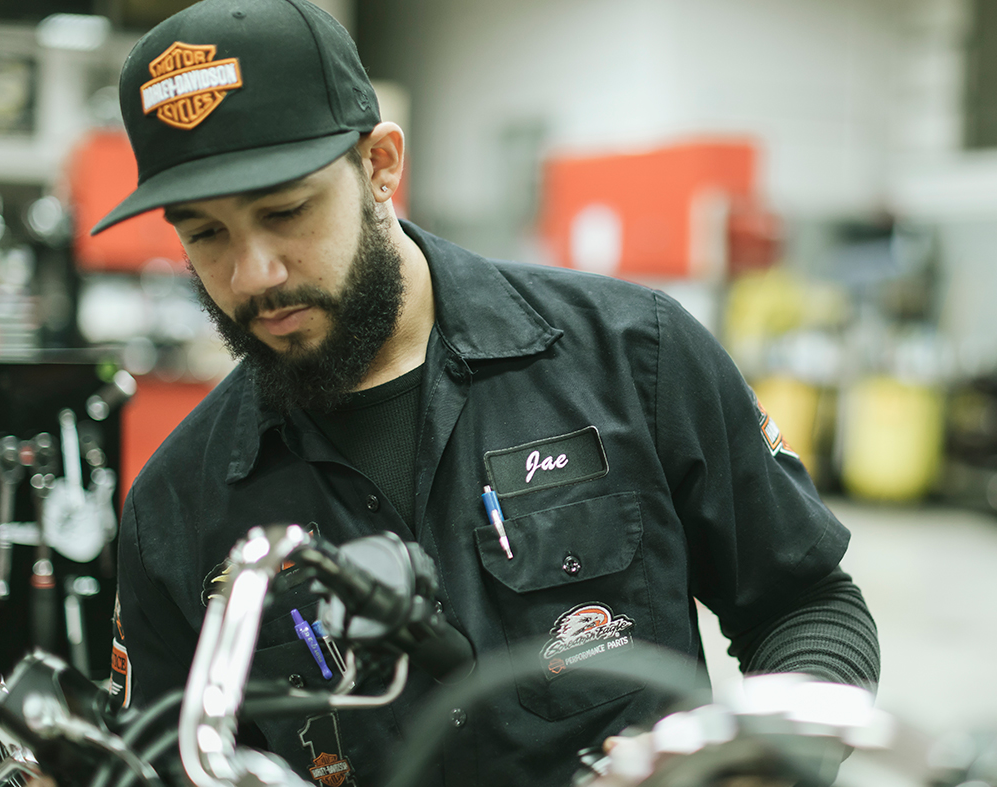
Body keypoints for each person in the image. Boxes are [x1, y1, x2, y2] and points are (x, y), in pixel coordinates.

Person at [97, 1, 879, 785]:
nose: (253, 273)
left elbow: (803, 602)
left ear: (380, 165)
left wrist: (761, 762)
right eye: (205, 233)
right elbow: (166, 759)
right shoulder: (176, 508)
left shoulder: (635, 355)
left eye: (286, 211)